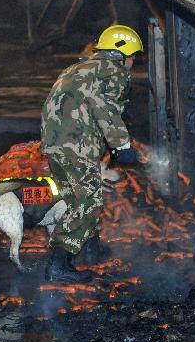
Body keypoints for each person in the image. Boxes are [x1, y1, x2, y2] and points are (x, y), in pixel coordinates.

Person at [41, 24, 142, 281]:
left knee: (80, 198)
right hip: (77, 147)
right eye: (133, 57)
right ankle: (58, 264)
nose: (133, 63)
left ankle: (92, 249)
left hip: (55, 146)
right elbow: (106, 110)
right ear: (122, 55)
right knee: (88, 202)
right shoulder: (112, 72)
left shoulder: (78, 69)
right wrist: (122, 147)